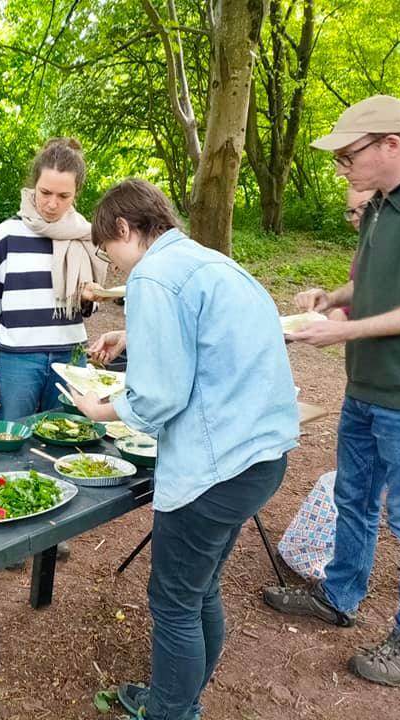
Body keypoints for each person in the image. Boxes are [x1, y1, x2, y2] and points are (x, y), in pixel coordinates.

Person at [72, 179, 298, 720]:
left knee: (174, 601)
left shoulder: (153, 274)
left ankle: (171, 712)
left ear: (125, 229)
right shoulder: (208, 262)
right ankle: (181, 699)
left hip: (214, 467)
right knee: (200, 591)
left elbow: (158, 398)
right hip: (262, 457)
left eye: (110, 251)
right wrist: (133, 337)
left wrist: (100, 407)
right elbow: (207, 336)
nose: (116, 265)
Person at [263, 95, 400, 686]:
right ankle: (340, 595)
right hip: (365, 387)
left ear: (391, 145)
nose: (343, 169)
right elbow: (371, 282)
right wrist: (332, 298)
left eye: (349, 157)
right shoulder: (379, 205)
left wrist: (345, 330)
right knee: (354, 497)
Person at [0, 138, 107, 420]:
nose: (52, 203)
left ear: (76, 193)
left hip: (70, 357)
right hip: (17, 360)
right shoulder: (7, 234)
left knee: (67, 444)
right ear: (34, 184)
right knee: (8, 443)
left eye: (63, 196)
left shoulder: (84, 236)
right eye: (45, 192)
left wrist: (86, 299)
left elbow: (90, 309)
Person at [327, 186, 375, 321]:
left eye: (364, 207)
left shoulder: (399, 244)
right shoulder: (364, 243)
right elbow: (361, 285)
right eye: (351, 211)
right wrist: (339, 308)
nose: (355, 217)